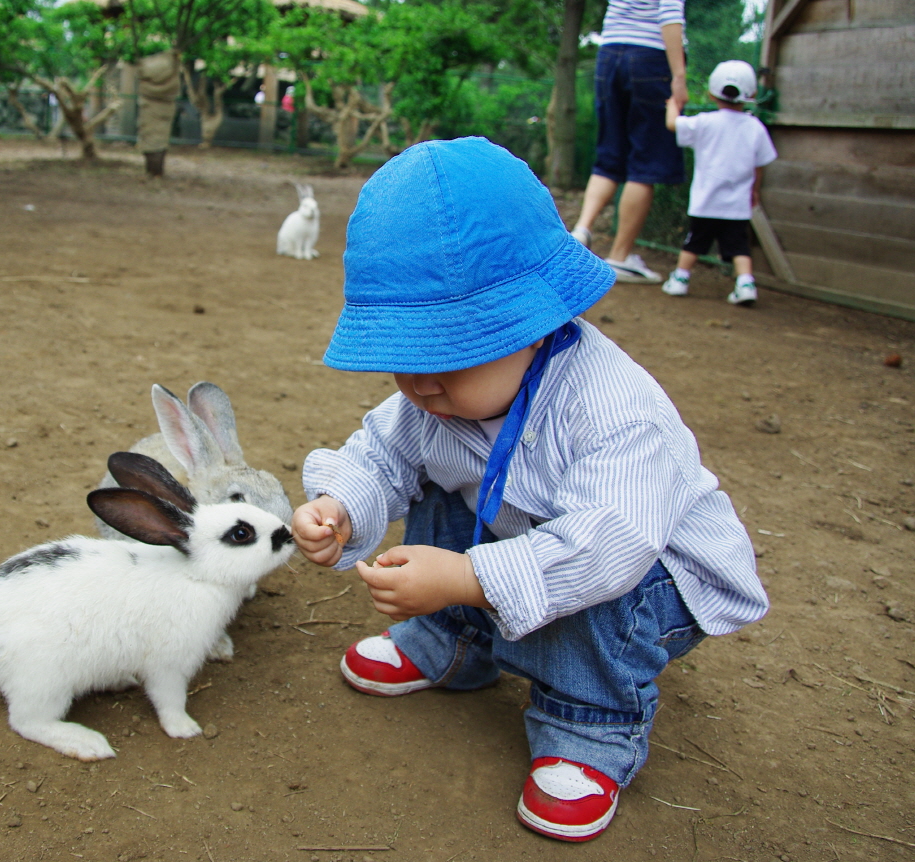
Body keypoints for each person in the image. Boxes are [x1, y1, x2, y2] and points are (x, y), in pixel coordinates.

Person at [291, 138, 768, 843]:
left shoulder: (615, 411)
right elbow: (382, 453)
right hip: (523, 538)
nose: (421, 383)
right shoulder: (437, 402)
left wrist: (462, 573)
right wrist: (341, 506)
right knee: (436, 472)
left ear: (533, 322)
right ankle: (450, 642)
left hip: (651, 576)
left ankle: (589, 725)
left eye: (449, 352)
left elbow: (608, 546)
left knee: (598, 576)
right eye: (403, 358)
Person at [566, 0, 782, 284]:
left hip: (611, 53)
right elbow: (669, 8)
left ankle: (582, 231)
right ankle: (620, 256)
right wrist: (678, 75)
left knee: (609, 156)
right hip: (650, 56)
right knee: (645, 163)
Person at [661, 60, 778, 305]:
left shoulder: (705, 122)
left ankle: (680, 280)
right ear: (752, 94)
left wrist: (673, 105)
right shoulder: (755, 127)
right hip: (736, 205)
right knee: (739, 247)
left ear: (712, 93)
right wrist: (755, 191)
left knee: (694, 243)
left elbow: (673, 124)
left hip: (705, 201)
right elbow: (761, 164)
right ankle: (745, 284)